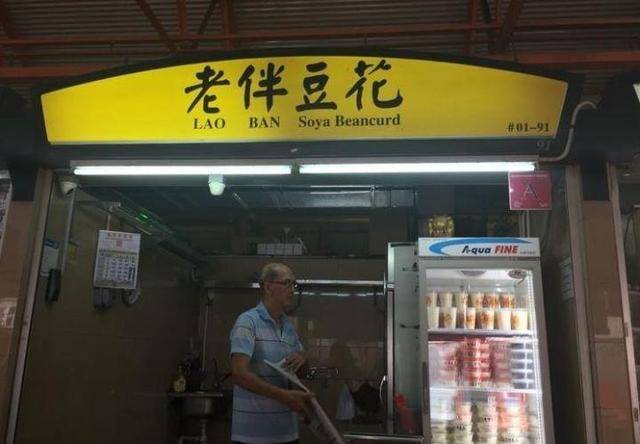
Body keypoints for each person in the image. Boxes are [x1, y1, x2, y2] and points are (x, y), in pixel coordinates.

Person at [230, 263, 312, 444]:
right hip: (253, 436)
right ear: (268, 287)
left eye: (294, 284)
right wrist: (283, 396)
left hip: (287, 433)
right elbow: (239, 374)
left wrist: (303, 358)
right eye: (287, 283)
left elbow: (301, 373)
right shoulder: (247, 322)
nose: (293, 290)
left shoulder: (289, 327)